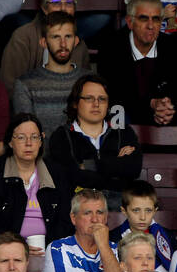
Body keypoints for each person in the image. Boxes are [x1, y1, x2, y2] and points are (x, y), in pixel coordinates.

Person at [96, 0, 177, 128]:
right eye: (144, 19)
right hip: (128, 112)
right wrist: (151, 104)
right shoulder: (111, 49)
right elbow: (113, 94)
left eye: (156, 19)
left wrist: (169, 106)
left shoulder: (175, 48)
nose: (151, 26)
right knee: (118, 117)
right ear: (129, 22)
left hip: (165, 115)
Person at [0, 112, 72, 245]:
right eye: (21, 137)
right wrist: (17, 245)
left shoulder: (56, 173)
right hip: (7, 249)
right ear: (10, 142)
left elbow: (65, 221)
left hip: (50, 248)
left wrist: (49, 246)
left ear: (41, 141)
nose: (28, 143)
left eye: (34, 137)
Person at [48, 74, 143, 208]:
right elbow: (70, 176)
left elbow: (133, 168)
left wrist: (90, 165)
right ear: (75, 103)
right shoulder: (62, 136)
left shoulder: (123, 131)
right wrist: (115, 167)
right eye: (89, 99)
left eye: (102, 99)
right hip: (81, 204)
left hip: (120, 205)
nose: (96, 104)